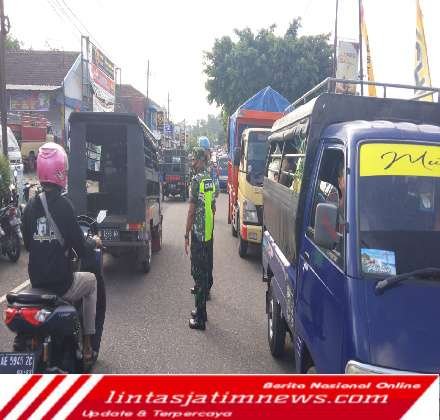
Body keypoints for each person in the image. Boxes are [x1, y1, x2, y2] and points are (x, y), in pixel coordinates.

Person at [22, 142, 102, 363]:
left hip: (36, 283)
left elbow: (28, 245)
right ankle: (88, 343)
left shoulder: (29, 207)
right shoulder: (64, 206)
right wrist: (94, 241)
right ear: (60, 171)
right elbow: (80, 246)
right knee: (92, 282)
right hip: (61, 284)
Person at [184, 147, 216, 330]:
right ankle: (201, 313)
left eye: (194, 160)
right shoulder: (209, 179)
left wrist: (186, 234)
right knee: (204, 272)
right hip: (208, 233)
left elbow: (191, 212)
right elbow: (213, 207)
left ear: (200, 161)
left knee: (198, 275)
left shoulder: (196, 181)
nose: (192, 162)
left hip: (198, 234)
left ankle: (200, 319)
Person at [197, 136, 216, 295]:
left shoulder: (203, 170)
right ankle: (205, 286)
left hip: (202, 221)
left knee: (202, 256)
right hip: (208, 218)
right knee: (207, 254)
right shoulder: (210, 169)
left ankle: (204, 287)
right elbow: (215, 193)